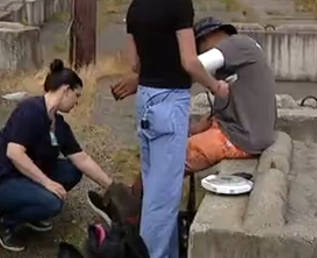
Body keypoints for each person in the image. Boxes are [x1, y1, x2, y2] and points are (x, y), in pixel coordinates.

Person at [112, 0, 231, 258]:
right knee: (163, 199)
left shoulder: (136, 5)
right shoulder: (179, 2)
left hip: (147, 101)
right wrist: (216, 87)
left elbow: (135, 63)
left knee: (156, 184)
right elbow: (189, 61)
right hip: (170, 103)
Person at [112, 16, 278, 186]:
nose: (196, 53)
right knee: (166, 151)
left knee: (164, 160)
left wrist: (141, 79)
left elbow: (190, 69)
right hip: (244, 132)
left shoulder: (235, 44)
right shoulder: (237, 56)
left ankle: (130, 207)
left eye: (197, 48)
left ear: (206, 38)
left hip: (241, 138)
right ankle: (136, 202)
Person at [0, 59, 114, 252]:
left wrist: (112, 187)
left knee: (72, 170)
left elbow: (82, 159)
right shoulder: (30, 109)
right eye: (77, 95)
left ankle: (30, 209)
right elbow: (14, 153)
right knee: (52, 202)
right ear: (66, 90)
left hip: (20, 175)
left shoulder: (59, 125)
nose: (77, 102)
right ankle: (5, 223)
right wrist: (46, 183)